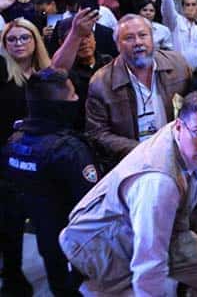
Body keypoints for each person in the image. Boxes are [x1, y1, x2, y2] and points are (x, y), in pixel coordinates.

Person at [60, 90, 197, 296]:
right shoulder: (159, 184)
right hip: (100, 250)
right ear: (179, 127)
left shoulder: (191, 138)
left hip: (155, 231)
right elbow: (149, 264)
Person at [2, 68, 99, 296]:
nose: (77, 99)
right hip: (74, 243)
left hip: (44, 237)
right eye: (73, 95)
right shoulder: (70, 150)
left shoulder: (14, 143)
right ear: (61, 107)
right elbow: (94, 204)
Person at [85, 14, 193, 169]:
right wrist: (143, 151)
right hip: (131, 163)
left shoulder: (178, 66)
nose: (138, 42)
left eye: (143, 35)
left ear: (152, 38)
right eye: (129, 38)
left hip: (178, 157)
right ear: (117, 45)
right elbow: (97, 134)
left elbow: (192, 110)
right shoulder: (101, 83)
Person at [0, 17, 52, 295]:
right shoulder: (1, 71)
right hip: (7, 162)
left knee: (49, 226)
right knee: (10, 226)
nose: (18, 43)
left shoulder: (46, 74)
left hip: (43, 162)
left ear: (35, 41)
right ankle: (12, 279)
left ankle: (59, 276)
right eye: (12, 39)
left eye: (24, 37)